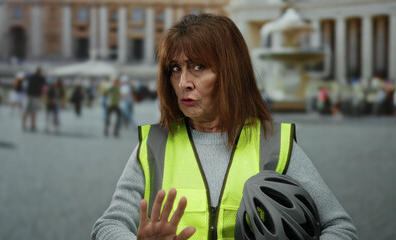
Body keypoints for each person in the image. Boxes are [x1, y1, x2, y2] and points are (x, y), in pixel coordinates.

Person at [92, 14, 358, 240]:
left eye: (198, 66)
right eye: (175, 69)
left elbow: (340, 228)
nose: (183, 82)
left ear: (231, 72)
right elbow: (107, 226)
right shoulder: (153, 144)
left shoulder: (275, 144)